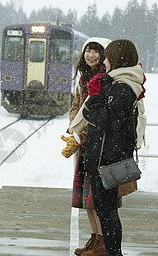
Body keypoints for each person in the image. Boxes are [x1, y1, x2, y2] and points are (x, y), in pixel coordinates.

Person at [81, 39, 146, 256]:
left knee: (108, 213)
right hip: (103, 156)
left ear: (116, 59)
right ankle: (111, 252)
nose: (104, 61)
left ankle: (113, 253)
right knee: (105, 211)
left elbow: (105, 121)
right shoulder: (117, 84)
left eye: (107, 57)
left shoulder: (122, 88)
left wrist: (95, 97)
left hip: (108, 158)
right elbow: (100, 118)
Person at [61, 37, 112, 256]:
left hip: (97, 145)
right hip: (83, 143)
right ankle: (95, 238)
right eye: (88, 51)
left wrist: (83, 130)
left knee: (97, 198)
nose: (91, 55)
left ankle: (102, 242)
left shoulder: (106, 79)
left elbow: (99, 114)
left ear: (104, 55)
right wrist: (75, 126)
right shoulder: (83, 79)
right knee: (87, 199)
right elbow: (75, 106)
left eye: (96, 52)